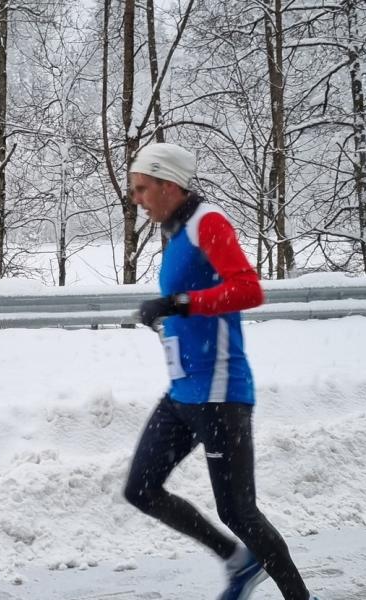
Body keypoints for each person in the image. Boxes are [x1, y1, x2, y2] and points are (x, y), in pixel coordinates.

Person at [123, 143, 318, 600]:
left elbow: (248, 290)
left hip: (221, 393)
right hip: (183, 393)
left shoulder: (208, 222)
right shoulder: (175, 232)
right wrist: (167, 317)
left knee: (238, 511)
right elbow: (192, 300)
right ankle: (237, 561)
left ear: (168, 185)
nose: (136, 198)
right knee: (141, 489)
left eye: (142, 188)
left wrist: (180, 304)